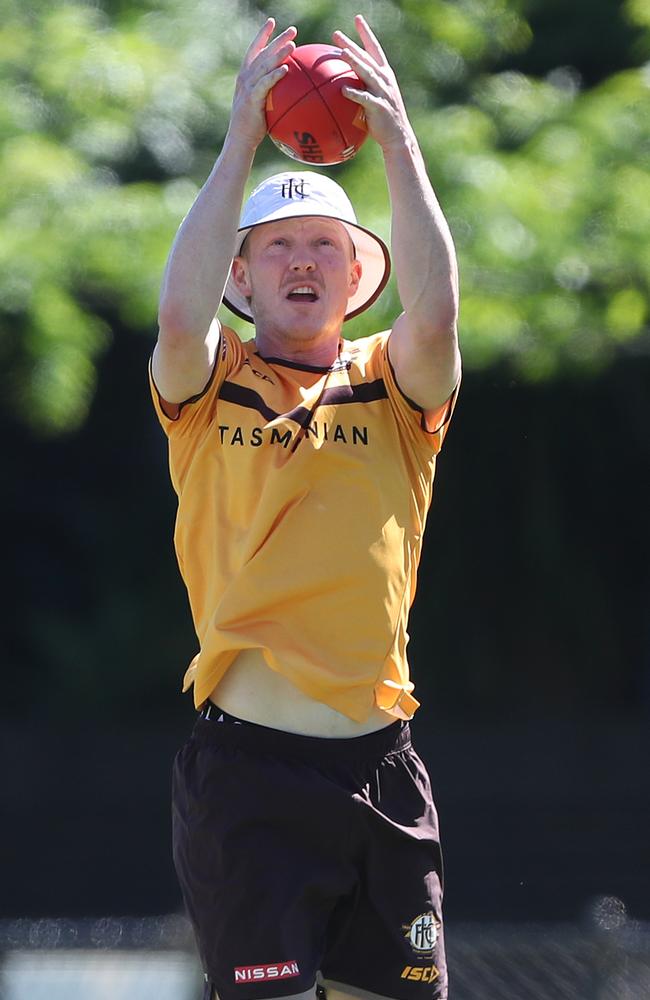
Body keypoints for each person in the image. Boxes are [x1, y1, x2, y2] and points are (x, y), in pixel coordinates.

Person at [150, 13, 460, 1000]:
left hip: (381, 771)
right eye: (277, 243)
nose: (300, 260)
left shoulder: (395, 385)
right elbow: (176, 318)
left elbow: (438, 313)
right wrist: (241, 142)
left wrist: (401, 144)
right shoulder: (207, 386)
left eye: (324, 245)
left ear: (354, 275)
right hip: (249, 782)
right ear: (241, 275)